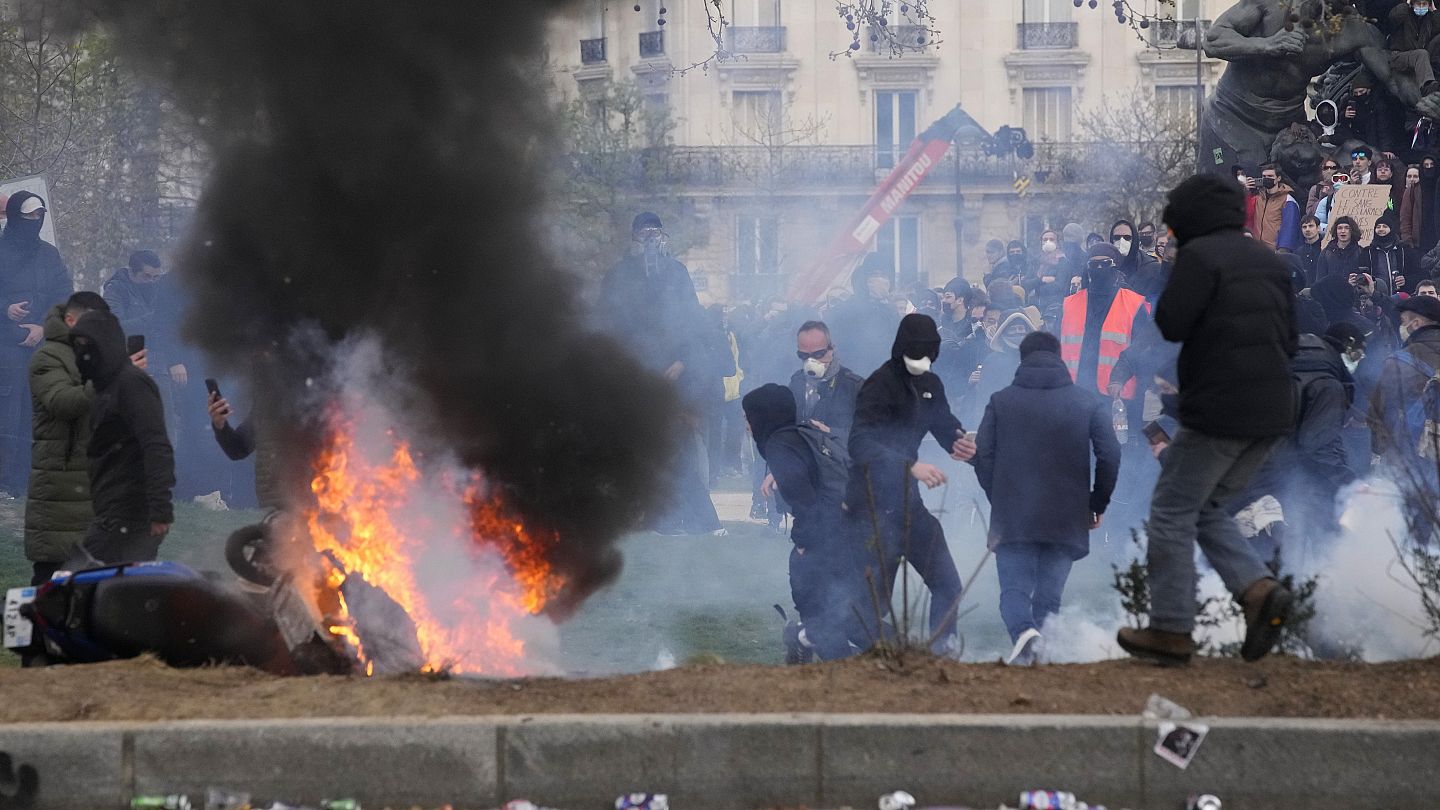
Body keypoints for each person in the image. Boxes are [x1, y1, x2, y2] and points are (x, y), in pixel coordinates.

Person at [1116, 173, 1298, 666]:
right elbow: (1291, 340)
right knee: (1207, 508)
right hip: (1274, 412)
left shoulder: (1198, 257)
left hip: (1222, 410)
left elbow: (1171, 322)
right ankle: (1259, 592)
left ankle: (1171, 630)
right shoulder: (1268, 259)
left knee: (1170, 511)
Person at [973, 331, 1121, 665]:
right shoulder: (1087, 401)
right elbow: (1110, 454)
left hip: (1014, 516)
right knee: (1049, 600)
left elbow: (983, 455)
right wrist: (1096, 503)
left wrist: (999, 497)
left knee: (1013, 593)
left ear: (1022, 359)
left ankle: (1026, 639)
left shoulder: (1001, 400)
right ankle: (1039, 660)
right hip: (1067, 517)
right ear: (1061, 358)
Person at [845, 314, 977, 653]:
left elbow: (944, 422)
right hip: (873, 509)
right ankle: (814, 634)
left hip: (910, 507)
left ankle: (941, 655)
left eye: (927, 355)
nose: (920, 361)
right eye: (914, 354)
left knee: (948, 585)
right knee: (873, 607)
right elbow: (859, 444)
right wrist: (910, 466)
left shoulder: (931, 384)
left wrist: (959, 441)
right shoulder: (879, 384)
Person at [598, 212, 720, 536]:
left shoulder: (677, 273)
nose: (651, 239)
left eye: (656, 232)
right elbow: (607, 326)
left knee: (679, 447)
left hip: (674, 379)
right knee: (637, 449)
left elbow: (693, 323)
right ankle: (640, 515)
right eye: (644, 233)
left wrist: (683, 361)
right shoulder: (618, 276)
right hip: (634, 379)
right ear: (633, 238)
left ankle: (687, 517)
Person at [23, 293, 144, 585]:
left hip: (102, 481)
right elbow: (62, 402)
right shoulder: (48, 357)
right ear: (71, 320)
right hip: (62, 483)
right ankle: (31, 629)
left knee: (102, 585)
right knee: (52, 579)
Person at [742, 384, 865, 661]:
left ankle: (842, 664)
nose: (747, 425)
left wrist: (803, 545)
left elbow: (806, 501)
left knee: (817, 607)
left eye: (748, 416)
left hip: (828, 534)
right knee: (844, 610)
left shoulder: (778, 445)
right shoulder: (799, 434)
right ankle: (891, 653)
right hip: (849, 528)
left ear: (763, 416)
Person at [68, 310, 174, 566]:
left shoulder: (131, 384)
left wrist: (160, 509)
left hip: (131, 516)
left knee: (78, 584)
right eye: (77, 344)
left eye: (88, 344)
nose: (82, 352)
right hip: (110, 511)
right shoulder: (105, 386)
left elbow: (156, 445)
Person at [0, 191, 72, 495]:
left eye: (39, 216)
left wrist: (42, 327)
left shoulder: (49, 254)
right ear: (15, 216)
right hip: (5, 345)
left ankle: (25, 482)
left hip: (40, 344)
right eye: (29, 216)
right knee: (7, 413)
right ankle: (3, 480)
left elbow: (63, 295)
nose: (35, 221)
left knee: (38, 413)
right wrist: (5, 309)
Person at [1367, 294, 1440, 541]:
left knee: (1416, 535)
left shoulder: (1400, 361)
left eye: (1404, 321)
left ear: (1416, 324)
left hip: (1414, 460)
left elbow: (1377, 414)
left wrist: (1382, 453)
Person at [1059, 243, 1152, 406]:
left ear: (1115, 267)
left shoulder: (1133, 304)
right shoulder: (1069, 304)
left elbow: (1143, 350)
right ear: (1087, 269)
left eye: (1106, 263)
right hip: (1076, 394)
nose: (1100, 268)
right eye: (1094, 264)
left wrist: (1125, 379)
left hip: (1117, 396)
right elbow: (1054, 346)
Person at [788, 321, 864, 445]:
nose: (810, 361)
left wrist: (830, 432)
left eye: (818, 354)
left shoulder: (854, 386)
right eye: (803, 355)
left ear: (831, 349)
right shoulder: (796, 382)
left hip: (840, 461)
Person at [827, 254, 898, 377]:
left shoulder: (891, 312)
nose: (880, 280)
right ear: (864, 278)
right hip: (852, 379)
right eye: (875, 274)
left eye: (884, 275)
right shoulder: (843, 310)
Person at [1366, 211, 1420, 295]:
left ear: (1391, 229)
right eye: (1378, 227)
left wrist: (1406, 280)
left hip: (1401, 297)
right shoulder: (1368, 252)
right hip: (1377, 298)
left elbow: (1420, 274)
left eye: (1385, 226)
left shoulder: (1405, 250)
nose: (1381, 229)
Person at [1254, 165, 1303, 252]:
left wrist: (1283, 250)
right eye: (1264, 176)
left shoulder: (1288, 200)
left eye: (1270, 176)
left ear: (1278, 178)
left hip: (1275, 252)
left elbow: (1290, 228)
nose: (1266, 178)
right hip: (1257, 250)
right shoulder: (1258, 198)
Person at [1317, 216, 1365, 281]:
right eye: (1339, 228)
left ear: (1352, 230)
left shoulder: (1360, 252)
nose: (1343, 231)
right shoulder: (1326, 253)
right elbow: (1320, 279)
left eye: (1346, 228)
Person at [1297, 215, 1325, 285]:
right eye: (1304, 227)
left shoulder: (1326, 248)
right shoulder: (1298, 252)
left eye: (1311, 226)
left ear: (1318, 228)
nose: (1307, 229)